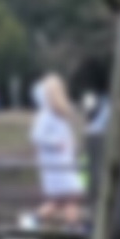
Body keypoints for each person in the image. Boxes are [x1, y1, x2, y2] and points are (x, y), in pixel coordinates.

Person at [29, 74, 87, 227]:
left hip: (63, 163)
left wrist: (71, 144)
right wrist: (57, 143)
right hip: (56, 166)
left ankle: (31, 223)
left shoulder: (57, 113)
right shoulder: (46, 115)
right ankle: (74, 229)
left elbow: (63, 134)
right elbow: (36, 137)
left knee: (59, 201)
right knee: (71, 197)